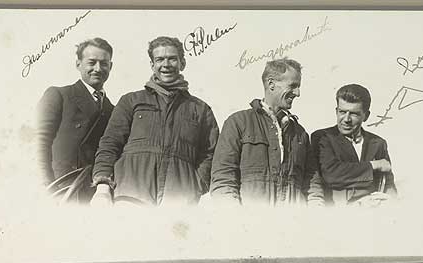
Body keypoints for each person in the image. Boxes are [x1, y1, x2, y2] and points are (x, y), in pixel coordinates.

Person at [93, 36, 218, 205]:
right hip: (131, 196)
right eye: (159, 59)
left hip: (178, 201)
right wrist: (102, 186)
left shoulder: (200, 109)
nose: (166, 64)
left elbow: (211, 154)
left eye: (172, 59)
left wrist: (196, 185)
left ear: (182, 63)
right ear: (152, 65)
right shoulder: (131, 101)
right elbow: (109, 144)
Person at [210, 58, 311, 205]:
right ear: (271, 84)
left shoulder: (300, 134)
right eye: (293, 86)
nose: (298, 93)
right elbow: (222, 179)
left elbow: (312, 185)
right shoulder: (238, 122)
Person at [37, 38, 115, 200]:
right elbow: (39, 143)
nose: (98, 69)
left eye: (104, 63)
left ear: (111, 66)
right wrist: (46, 187)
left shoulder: (113, 110)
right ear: (78, 64)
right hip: (61, 188)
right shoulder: (59, 95)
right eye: (91, 62)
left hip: (93, 194)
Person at [308, 83, 396, 206]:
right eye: (342, 112)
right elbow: (331, 174)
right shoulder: (323, 137)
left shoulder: (378, 143)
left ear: (366, 116)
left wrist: (391, 202)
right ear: (336, 111)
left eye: (354, 114)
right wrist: (373, 166)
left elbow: (387, 183)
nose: (346, 119)